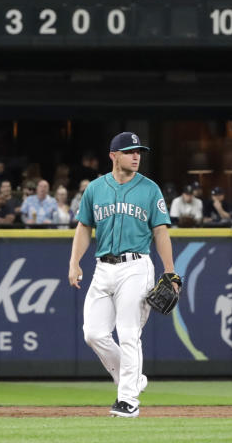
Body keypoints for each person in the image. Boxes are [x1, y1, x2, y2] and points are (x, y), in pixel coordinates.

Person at [68, 132, 177, 418]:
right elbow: (83, 228)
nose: (136, 156)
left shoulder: (150, 189)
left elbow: (161, 232)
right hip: (102, 267)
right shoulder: (95, 189)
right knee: (93, 334)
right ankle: (133, 378)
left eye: (139, 151)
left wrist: (170, 272)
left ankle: (128, 400)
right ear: (113, 156)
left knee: (129, 333)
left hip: (136, 266)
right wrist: (74, 262)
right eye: (130, 151)